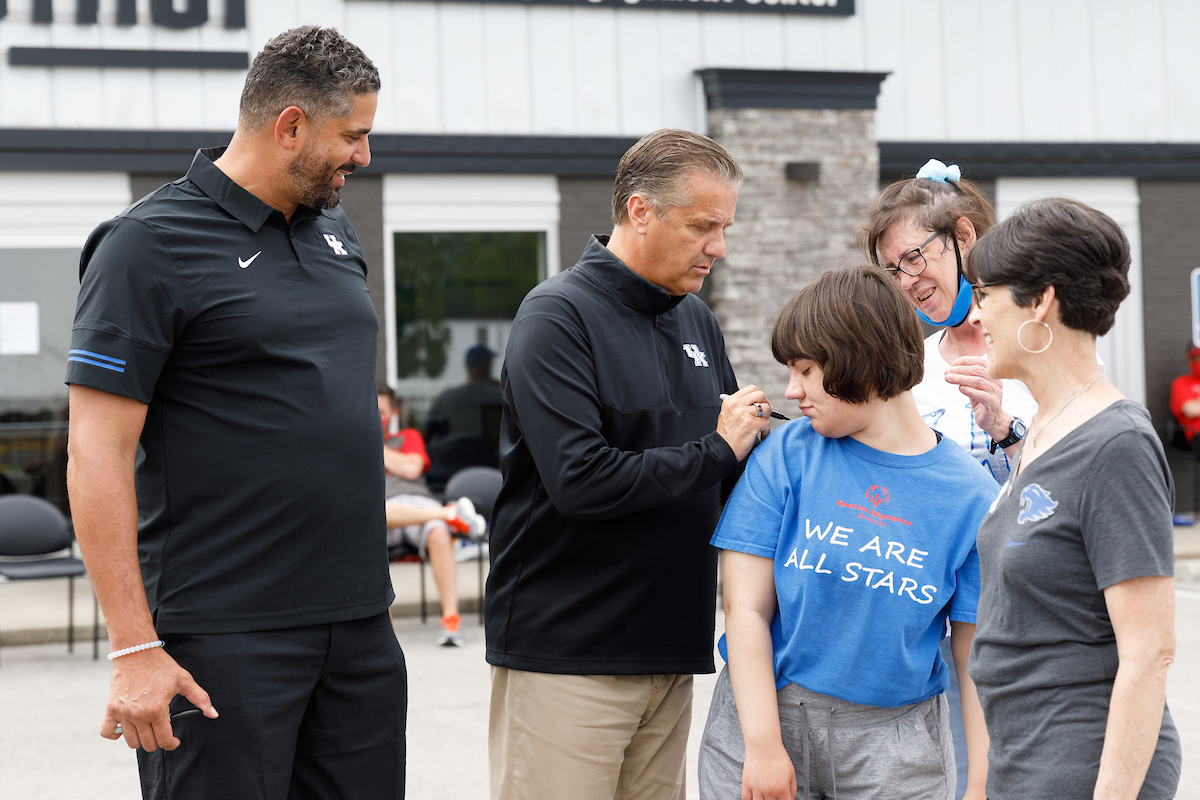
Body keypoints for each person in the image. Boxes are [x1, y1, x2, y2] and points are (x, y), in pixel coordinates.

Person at [65, 27, 406, 799]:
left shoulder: (337, 234)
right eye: (352, 135)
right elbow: (95, 454)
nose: (363, 155)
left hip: (358, 627)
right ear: (289, 126)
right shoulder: (145, 245)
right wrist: (133, 648)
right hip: (222, 637)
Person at [485, 129, 771, 800]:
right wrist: (717, 448)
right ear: (640, 211)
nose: (719, 248)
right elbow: (581, 480)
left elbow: (732, 472)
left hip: (671, 652)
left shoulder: (697, 320)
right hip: (568, 657)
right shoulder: (557, 315)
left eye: (724, 227)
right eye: (704, 226)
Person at [698, 265, 996, 800]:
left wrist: (981, 784)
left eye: (806, 370)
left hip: (897, 749)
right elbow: (745, 610)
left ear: (861, 358)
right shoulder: (784, 456)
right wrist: (764, 748)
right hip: (764, 722)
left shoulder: (970, 495)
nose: (792, 390)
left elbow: (975, 663)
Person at [966, 198, 1181, 799]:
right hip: (1025, 758)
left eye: (984, 294)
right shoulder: (1040, 426)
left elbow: (1150, 653)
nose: (976, 315)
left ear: (1041, 301)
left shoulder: (1117, 443)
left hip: (1082, 765)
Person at [860, 158, 1038, 797]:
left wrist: (1005, 428)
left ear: (963, 237)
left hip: (1028, 601)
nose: (907, 281)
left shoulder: (1032, 340)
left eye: (915, 257)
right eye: (892, 269)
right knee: (961, 765)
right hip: (941, 603)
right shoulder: (915, 359)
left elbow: (1077, 470)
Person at [378, 383, 484, 646]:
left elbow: (412, 469)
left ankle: (451, 619)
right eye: (372, 411)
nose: (377, 417)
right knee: (373, 518)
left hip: (418, 504)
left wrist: (372, 448)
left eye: (382, 411)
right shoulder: (353, 444)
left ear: (394, 413)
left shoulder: (408, 436)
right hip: (382, 511)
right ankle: (451, 514)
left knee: (437, 532)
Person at [424, 343, 504, 445]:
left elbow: (426, 437)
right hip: (493, 459)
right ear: (489, 365)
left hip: (453, 459)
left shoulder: (446, 399)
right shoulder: (501, 396)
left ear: (467, 367)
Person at [1169, 342, 1200, 448]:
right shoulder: (1180, 382)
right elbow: (1190, 410)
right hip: (1195, 435)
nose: (1197, 361)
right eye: (1194, 358)